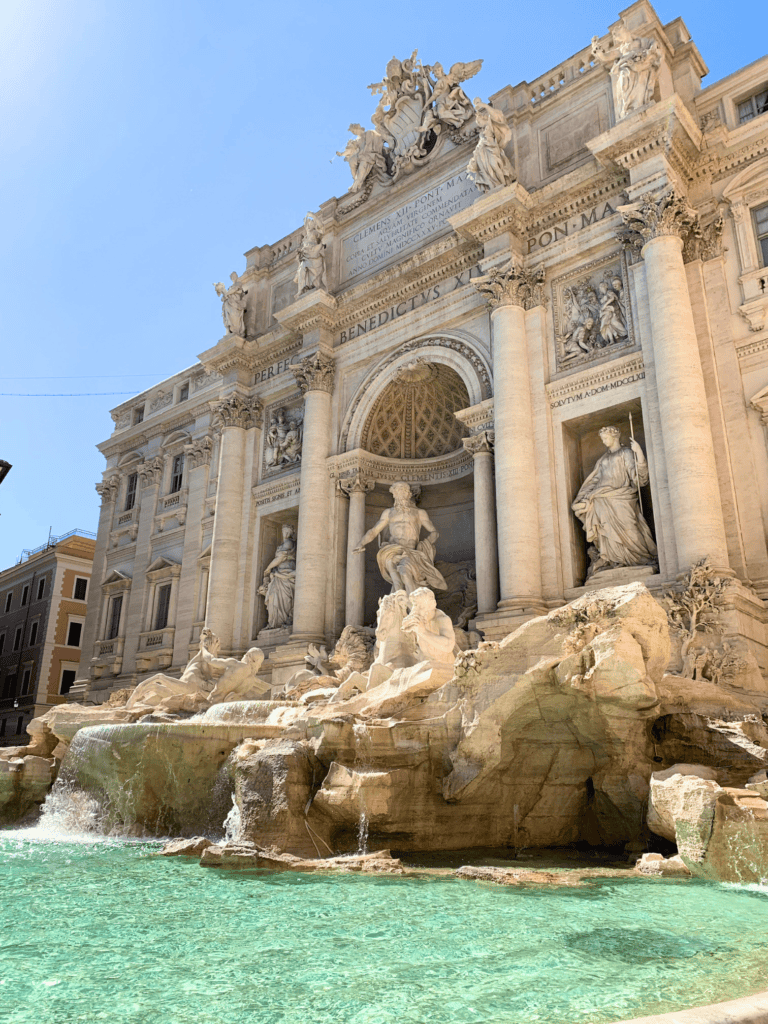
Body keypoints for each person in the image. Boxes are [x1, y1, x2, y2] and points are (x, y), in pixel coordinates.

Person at [572, 426, 657, 579]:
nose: (604, 442)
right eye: (602, 439)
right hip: (600, 498)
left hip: (622, 497)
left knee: (630, 528)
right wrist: (583, 497)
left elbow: (639, 479)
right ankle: (613, 560)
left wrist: (639, 453)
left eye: (606, 438)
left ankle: (640, 559)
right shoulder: (603, 459)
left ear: (615, 437)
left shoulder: (626, 453)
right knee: (605, 530)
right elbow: (595, 480)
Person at [354, 482, 447, 594]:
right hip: (391, 551)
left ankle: (412, 606)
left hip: (410, 551)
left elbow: (434, 532)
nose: (401, 494)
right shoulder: (388, 513)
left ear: (409, 494)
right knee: (397, 582)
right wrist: (361, 543)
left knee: (404, 572)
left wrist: (425, 545)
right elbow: (374, 531)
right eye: (398, 492)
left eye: (404, 491)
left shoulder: (419, 513)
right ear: (394, 495)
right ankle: (400, 606)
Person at [259, 524, 297, 629]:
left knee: (285, 599)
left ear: (291, 533)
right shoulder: (283, 544)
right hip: (279, 574)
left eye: (287, 531)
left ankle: (282, 621)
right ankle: (274, 623)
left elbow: (280, 558)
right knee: (274, 597)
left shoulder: (289, 543)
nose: (285, 533)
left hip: (286, 573)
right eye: (284, 531)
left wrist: (268, 568)